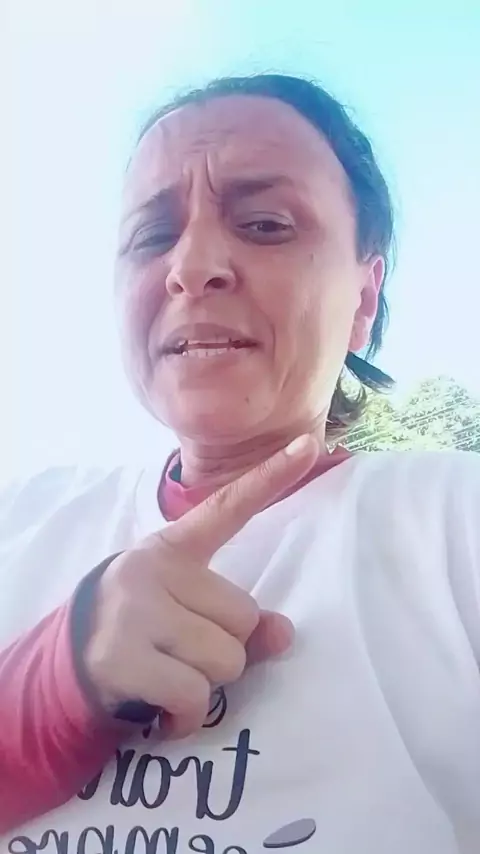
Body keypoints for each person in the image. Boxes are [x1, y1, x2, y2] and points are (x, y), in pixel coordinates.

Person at [1, 73, 479, 854]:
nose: (191, 266)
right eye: (152, 237)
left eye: (264, 225)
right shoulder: (20, 521)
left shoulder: (456, 526)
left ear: (364, 299)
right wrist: (46, 687)